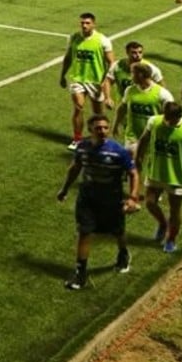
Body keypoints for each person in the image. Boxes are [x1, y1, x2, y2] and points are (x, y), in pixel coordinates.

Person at [57, 115, 140, 289]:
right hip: (87, 197)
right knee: (84, 232)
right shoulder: (82, 148)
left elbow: (133, 173)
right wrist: (64, 189)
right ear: (90, 130)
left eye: (105, 128)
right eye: (98, 128)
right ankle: (80, 273)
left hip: (111, 198)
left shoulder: (118, 151)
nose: (102, 131)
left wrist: (132, 196)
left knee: (117, 231)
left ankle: (123, 253)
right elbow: (75, 168)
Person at [134, 100, 182, 253]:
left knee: (174, 210)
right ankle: (163, 224)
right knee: (150, 203)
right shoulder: (154, 122)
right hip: (156, 172)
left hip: (177, 177)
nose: (166, 120)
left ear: (178, 116)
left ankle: (171, 240)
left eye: (169, 117)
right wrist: (138, 158)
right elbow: (144, 139)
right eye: (165, 115)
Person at [60, 12, 115, 150]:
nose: (84, 25)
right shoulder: (74, 38)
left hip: (95, 81)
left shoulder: (103, 40)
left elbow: (111, 63)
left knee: (98, 114)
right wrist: (62, 75)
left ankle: (100, 138)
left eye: (87, 23)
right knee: (78, 107)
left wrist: (105, 81)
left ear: (94, 24)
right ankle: (77, 139)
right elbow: (68, 58)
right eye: (82, 23)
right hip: (78, 79)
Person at [112, 60, 172, 152]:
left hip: (153, 138)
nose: (131, 77)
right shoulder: (129, 90)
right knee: (131, 163)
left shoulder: (162, 94)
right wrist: (116, 125)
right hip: (132, 137)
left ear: (141, 75)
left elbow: (171, 116)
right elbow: (122, 108)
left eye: (133, 73)